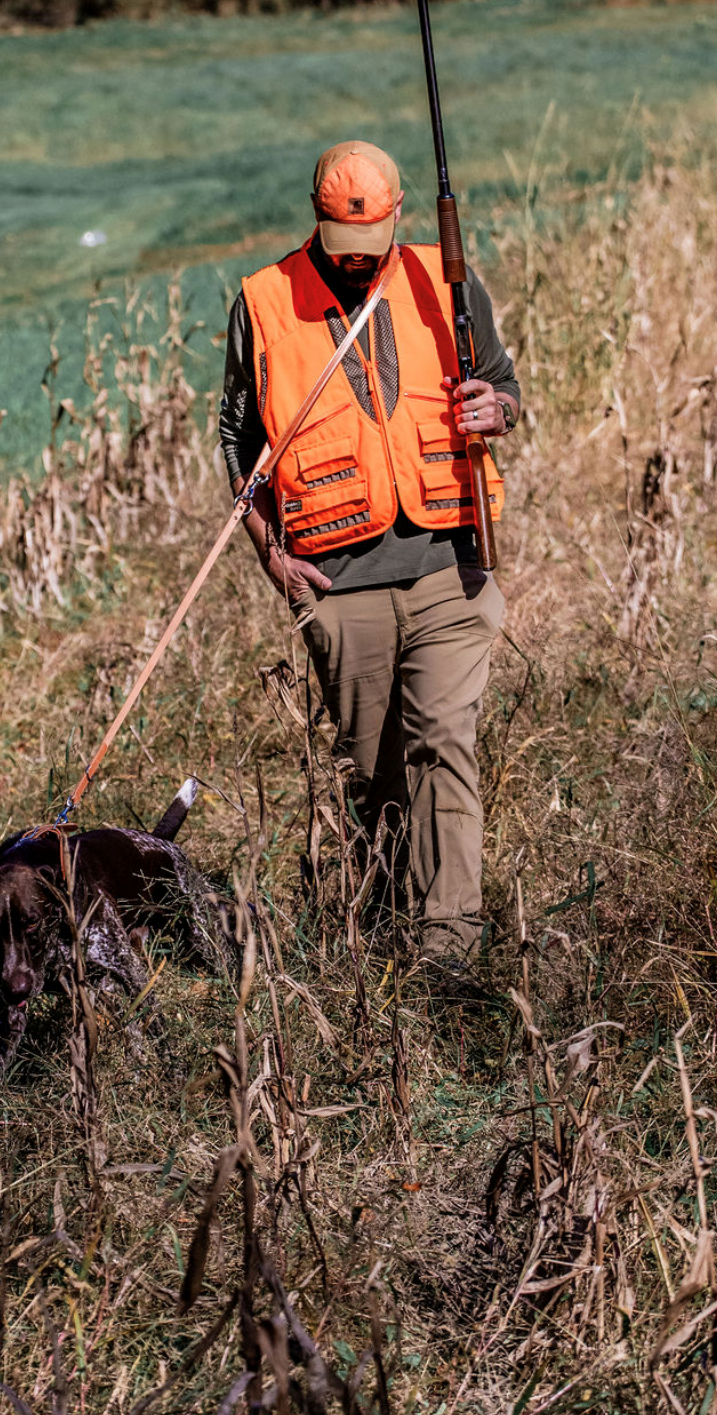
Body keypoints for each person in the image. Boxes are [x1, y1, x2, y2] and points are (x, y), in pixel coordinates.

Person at [221, 140, 520, 973]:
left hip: (445, 569)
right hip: (338, 586)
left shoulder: (446, 282)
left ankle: (446, 955)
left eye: (370, 247)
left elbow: (503, 383)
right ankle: (382, 930)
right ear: (315, 219)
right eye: (338, 247)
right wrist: (272, 559)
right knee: (376, 776)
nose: (356, 265)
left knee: (442, 746)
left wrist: (495, 408)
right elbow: (237, 446)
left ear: (397, 218)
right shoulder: (262, 301)